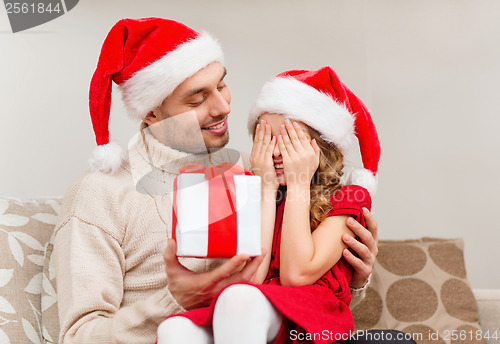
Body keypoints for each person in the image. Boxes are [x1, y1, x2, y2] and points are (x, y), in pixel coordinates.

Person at [54, 18, 380, 344]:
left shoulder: (247, 177)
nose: (224, 107)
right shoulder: (101, 193)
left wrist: (351, 275)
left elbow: (287, 293)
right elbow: (79, 337)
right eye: (197, 99)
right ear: (151, 112)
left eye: (222, 86)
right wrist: (176, 300)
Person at [157, 66, 379, 344]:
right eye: (265, 139)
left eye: (287, 140)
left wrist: (299, 182)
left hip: (310, 319)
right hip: (255, 311)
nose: (274, 151)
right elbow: (253, 277)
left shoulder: (349, 197)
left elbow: (296, 275)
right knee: (174, 329)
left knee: (239, 299)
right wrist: (265, 187)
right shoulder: (257, 190)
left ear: (321, 145)